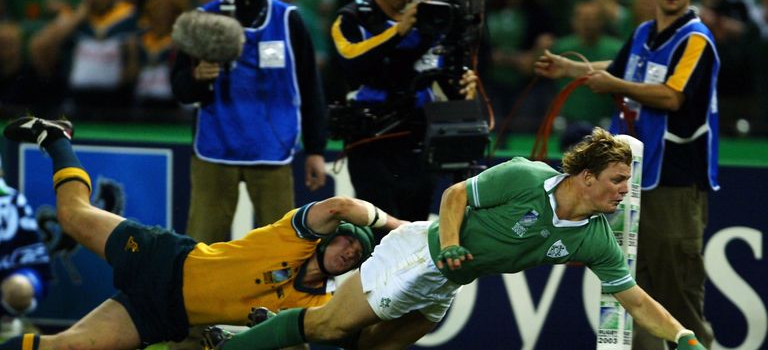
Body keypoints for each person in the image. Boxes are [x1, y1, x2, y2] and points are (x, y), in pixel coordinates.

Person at [200, 127, 707, 350]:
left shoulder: (595, 239)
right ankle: (234, 345)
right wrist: (448, 247)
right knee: (328, 327)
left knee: (372, 347)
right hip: (421, 254)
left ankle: (270, 330)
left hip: (447, 282)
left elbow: (635, 301)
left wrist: (682, 336)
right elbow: (454, 196)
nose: (625, 191)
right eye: (618, 180)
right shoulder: (527, 176)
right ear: (587, 177)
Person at [0, 116, 404, 350]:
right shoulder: (294, 236)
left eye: (357, 254)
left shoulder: (318, 304)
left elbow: (356, 337)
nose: (350, 252)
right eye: (348, 240)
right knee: (72, 215)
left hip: (163, 316)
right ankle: (56, 137)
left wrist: (423, 297)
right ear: (329, 237)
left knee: (67, 346)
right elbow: (339, 205)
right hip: (161, 260)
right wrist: (400, 228)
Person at [535, 0, 720, 349]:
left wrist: (614, 86)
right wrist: (571, 69)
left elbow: (671, 96)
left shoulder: (696, 40)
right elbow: (619, 69)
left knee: (678, 293)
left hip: (674, 182)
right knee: (635, 291)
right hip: (631, 181)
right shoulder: (642, 33)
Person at [170, 0, 328, 244]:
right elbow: (180, 89)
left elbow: (310, 88)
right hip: (215, 151)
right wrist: (197, 78)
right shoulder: (202, 19)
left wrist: (315, 150)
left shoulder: (288, 20)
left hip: (272, 151)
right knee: (203, 249)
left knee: (282, 251)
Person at [326, 0, 478, 223]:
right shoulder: (353, 18)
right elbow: (352, 62)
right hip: (371, 140)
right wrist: (398, 31)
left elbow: (440, 73)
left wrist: (462, 85)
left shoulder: (434, 18)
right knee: (379, 226)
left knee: (415, 226)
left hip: (420, 137)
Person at [0, 155, 51, 340]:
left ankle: (8, 320)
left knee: (19, 289)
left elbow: (32, 253)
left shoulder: (13, 200)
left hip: (11, 272)